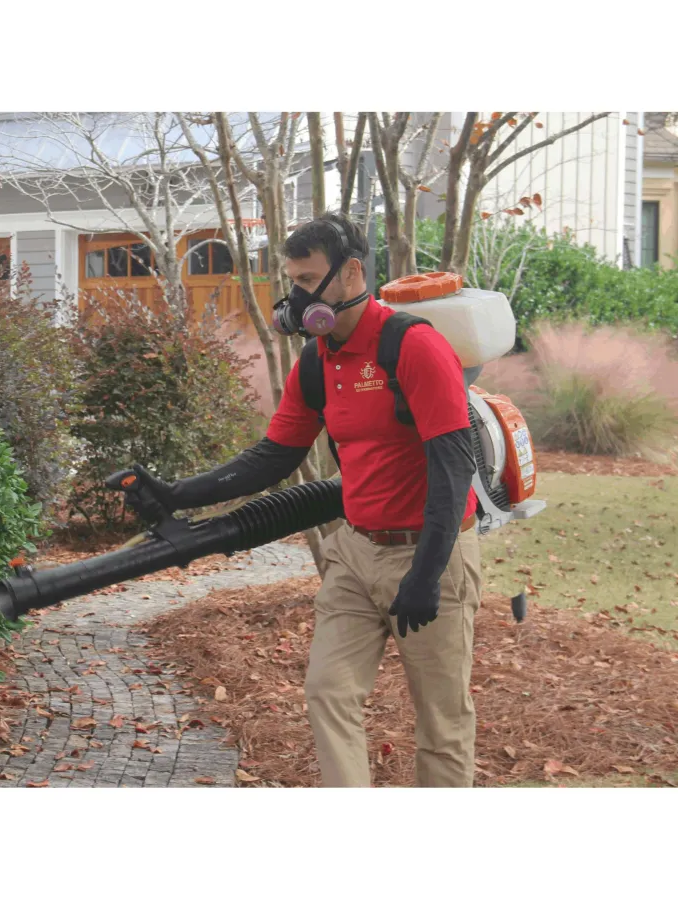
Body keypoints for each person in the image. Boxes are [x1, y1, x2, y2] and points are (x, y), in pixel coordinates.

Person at [144, 213, 483, 787]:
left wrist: (426, 573)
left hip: (431, 553)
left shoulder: (414, 348)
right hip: (354, 552)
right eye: (292, 281)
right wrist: (177, 492)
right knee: (328, 692)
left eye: (307, 281)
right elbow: (273, 457)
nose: (294, 298)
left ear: (351, 275)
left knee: (442, 722)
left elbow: (454, 468)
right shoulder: (318, 361)